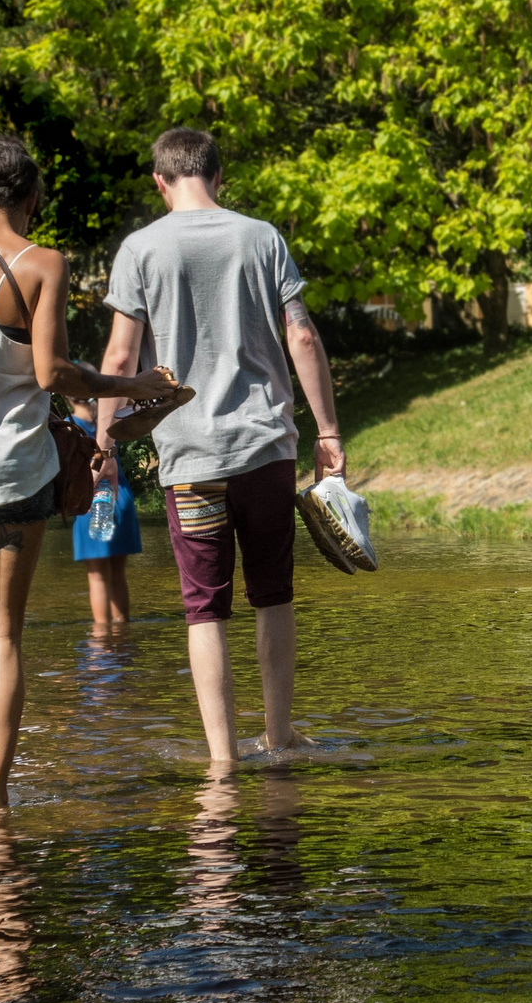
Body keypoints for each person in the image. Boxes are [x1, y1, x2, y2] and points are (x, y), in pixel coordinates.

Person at [0, 136, 176, 807]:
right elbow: (53, 374)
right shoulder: (45, 264)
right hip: (13, 472)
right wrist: (132, 382)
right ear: (32, 201)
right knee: (0, 634)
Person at [94, 127, 346, 768]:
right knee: (273, 592)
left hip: (190, 460)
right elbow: (304, 339)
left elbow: (120, 357)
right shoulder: (260, 236)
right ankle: (280, 737)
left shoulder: (141, 249)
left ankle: (220, 760)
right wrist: (328, 432)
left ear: (159, 181)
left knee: (204, 608)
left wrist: (103, 441)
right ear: (218, 175)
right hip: (265, 451)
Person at [68, 393, 142, 626]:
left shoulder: (70, 426)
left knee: (98, 577)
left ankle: (102, 641)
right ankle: (122, 634)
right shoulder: (107, 420)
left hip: (92, 498)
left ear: (69, 397)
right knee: (118, 574)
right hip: (120, 496)